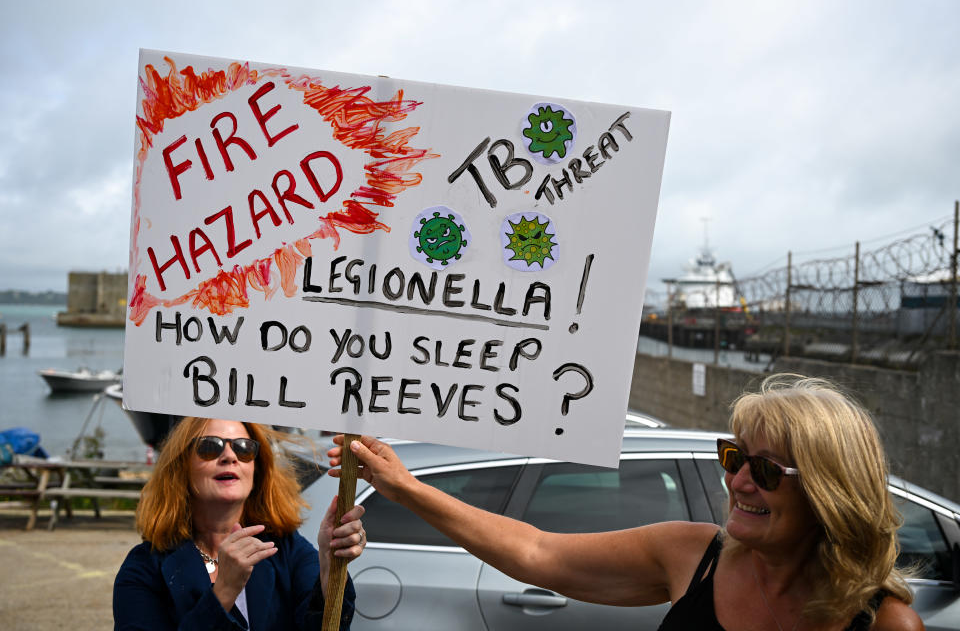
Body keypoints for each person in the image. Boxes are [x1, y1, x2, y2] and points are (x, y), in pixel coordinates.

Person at [328, 374, 924, 631]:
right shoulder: (693, 557)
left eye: (766, 470)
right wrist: (404, 487)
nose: (740, 482)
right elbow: (538, 552)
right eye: (734, 457)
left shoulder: (887, 623)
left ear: (829, 491)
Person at [114, 417, 365, 630]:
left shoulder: (288, 550)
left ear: (257, 469)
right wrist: (223, 593)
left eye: (244, 448)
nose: (229, 456)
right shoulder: (144, 567)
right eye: (210, 447)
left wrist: (331, 570)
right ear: (181, 467)